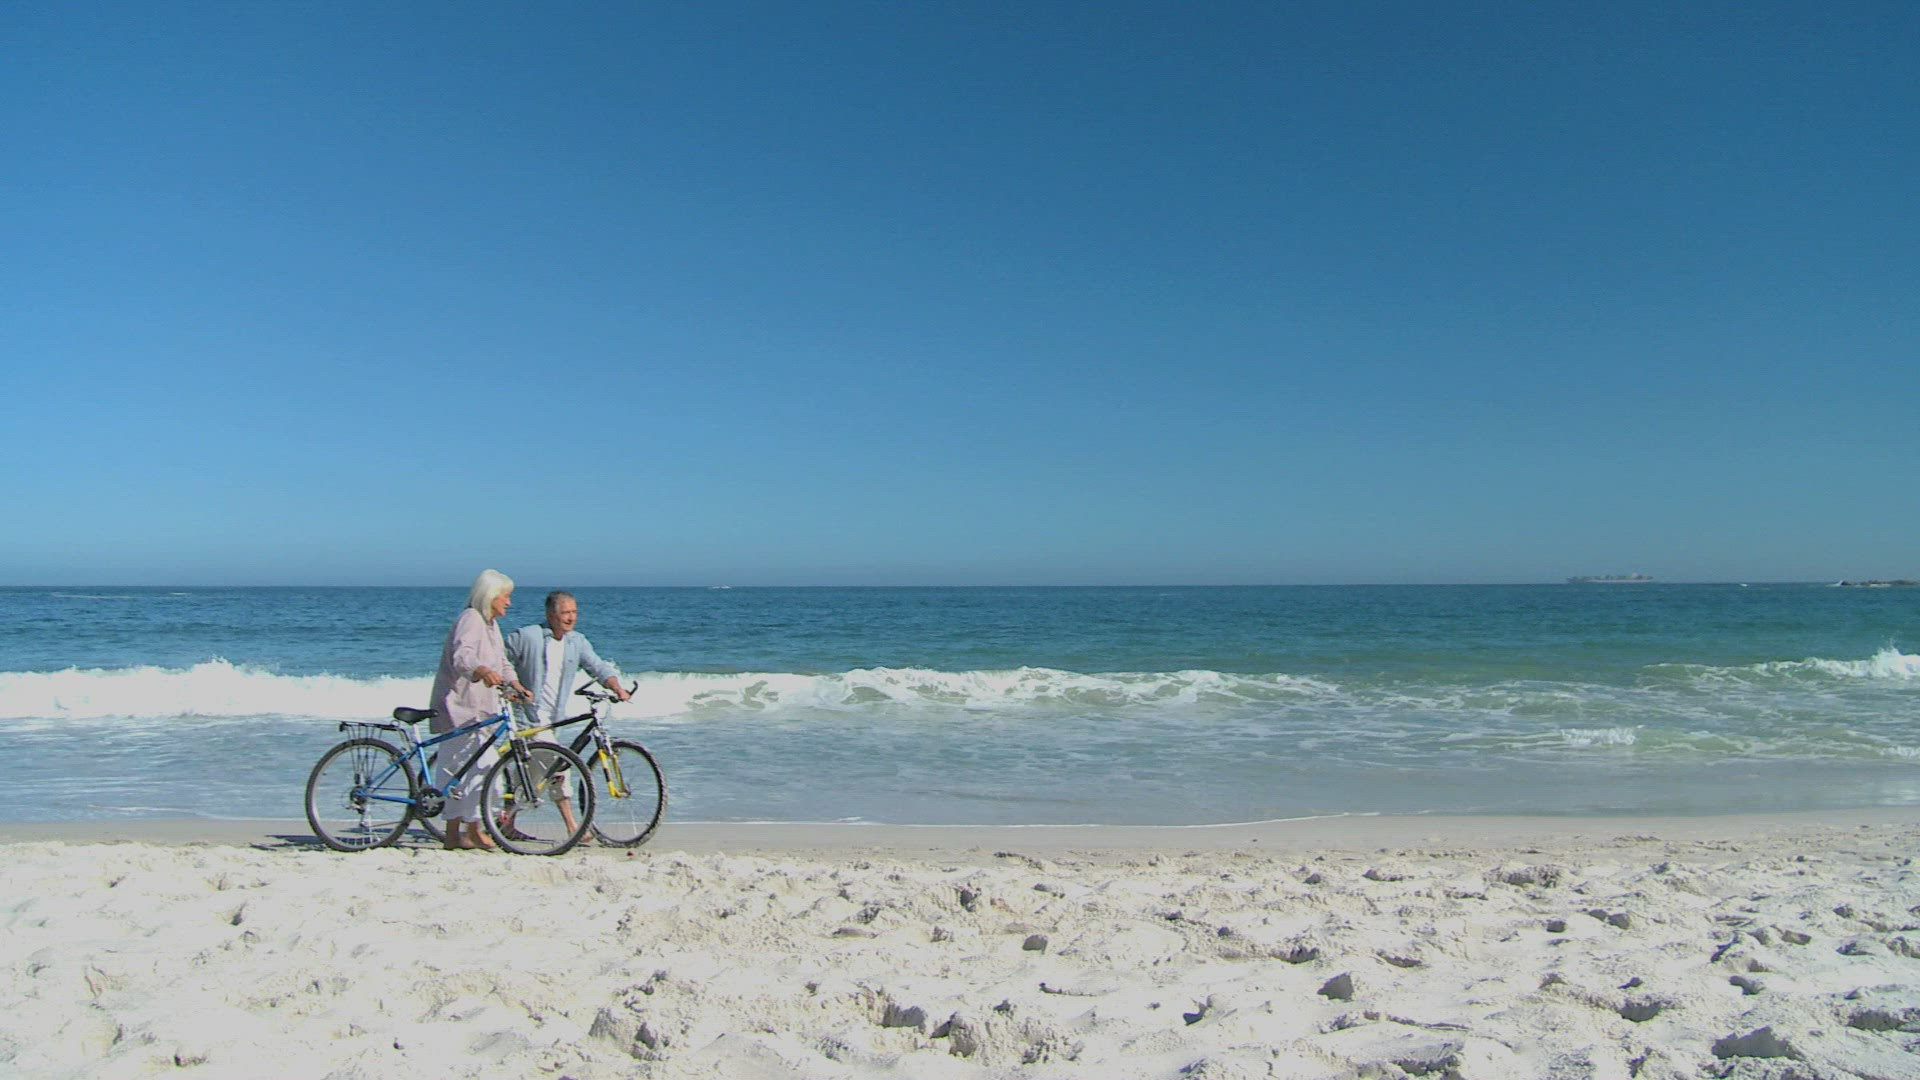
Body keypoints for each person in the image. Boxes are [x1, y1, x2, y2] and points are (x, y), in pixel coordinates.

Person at [427, 569, 529, 851]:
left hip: (481, 710)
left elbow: (502, 662)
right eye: (505, 596)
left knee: (479, 771)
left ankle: (471, 829)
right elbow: (462, 656)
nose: (509, 602)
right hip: (459, 708)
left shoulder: (491, 625)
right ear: (490, 596)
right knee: (458, 770)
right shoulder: (471, 618)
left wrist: (515, 684)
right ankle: (455, 833)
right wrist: (481, 670)